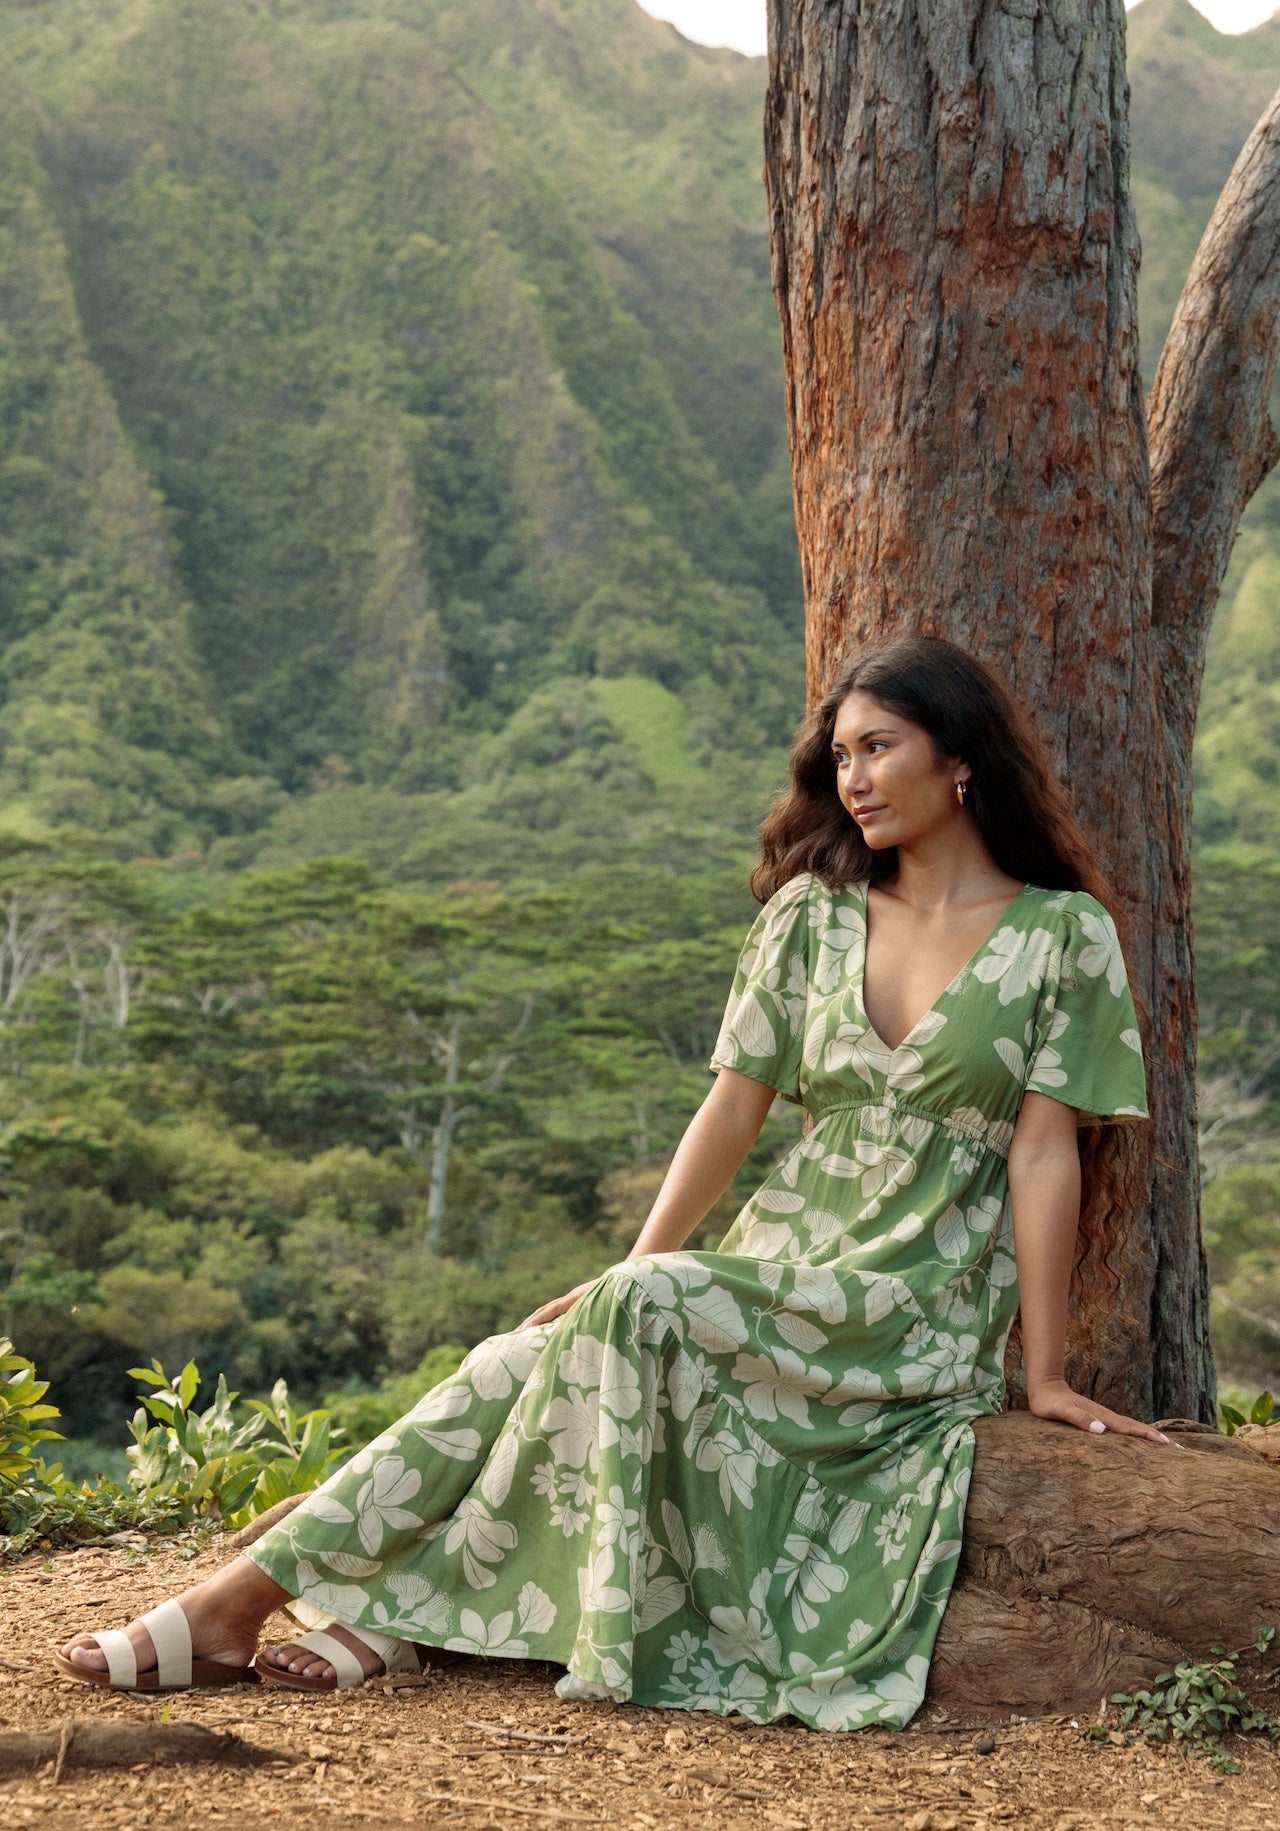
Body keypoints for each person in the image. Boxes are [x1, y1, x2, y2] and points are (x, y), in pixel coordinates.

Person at [56, 635, 1165, 1729]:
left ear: (959, 756)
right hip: (783, 1261)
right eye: (839, 757)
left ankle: (316, 1609)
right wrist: (629, 1273)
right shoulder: (811, 914)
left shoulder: (1060, 934)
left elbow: (1041, 1154)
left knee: (631, 1307)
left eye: (879, 747)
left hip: (914, 1298)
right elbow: (732, 1108)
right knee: (515, 1356)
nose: (854, 779)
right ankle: (269, 1610)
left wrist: (1043, 1373)